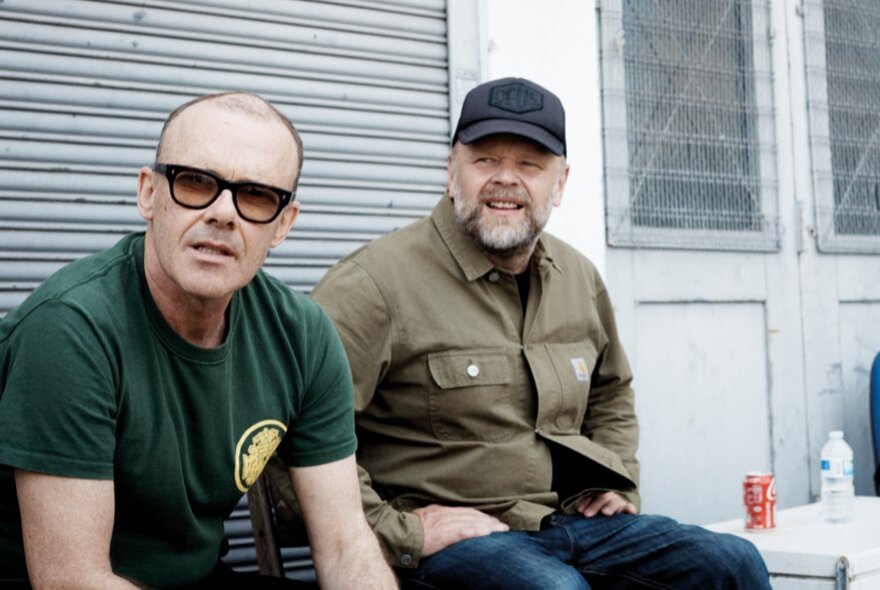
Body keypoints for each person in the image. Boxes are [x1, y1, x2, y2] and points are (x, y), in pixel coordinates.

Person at [270, 77, 771, 589]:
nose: (505, 179)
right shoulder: (375, 284)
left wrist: (616, 479)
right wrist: (400, 531)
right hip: (445, 548)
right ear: (451, 171)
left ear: (560, 182)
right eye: (485, 160)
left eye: (530, 165)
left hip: (569, 524)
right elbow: (291, 426)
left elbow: (610, 391)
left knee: (733, 563)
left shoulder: (578, 278)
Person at [0, 92, 397, 589]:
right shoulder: (71, 331)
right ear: (148, 193)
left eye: (254, 195)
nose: (224, 213)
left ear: (283, 224)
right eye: (195, 182)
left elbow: (344, 544)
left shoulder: (303, 337)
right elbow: (72, 580)